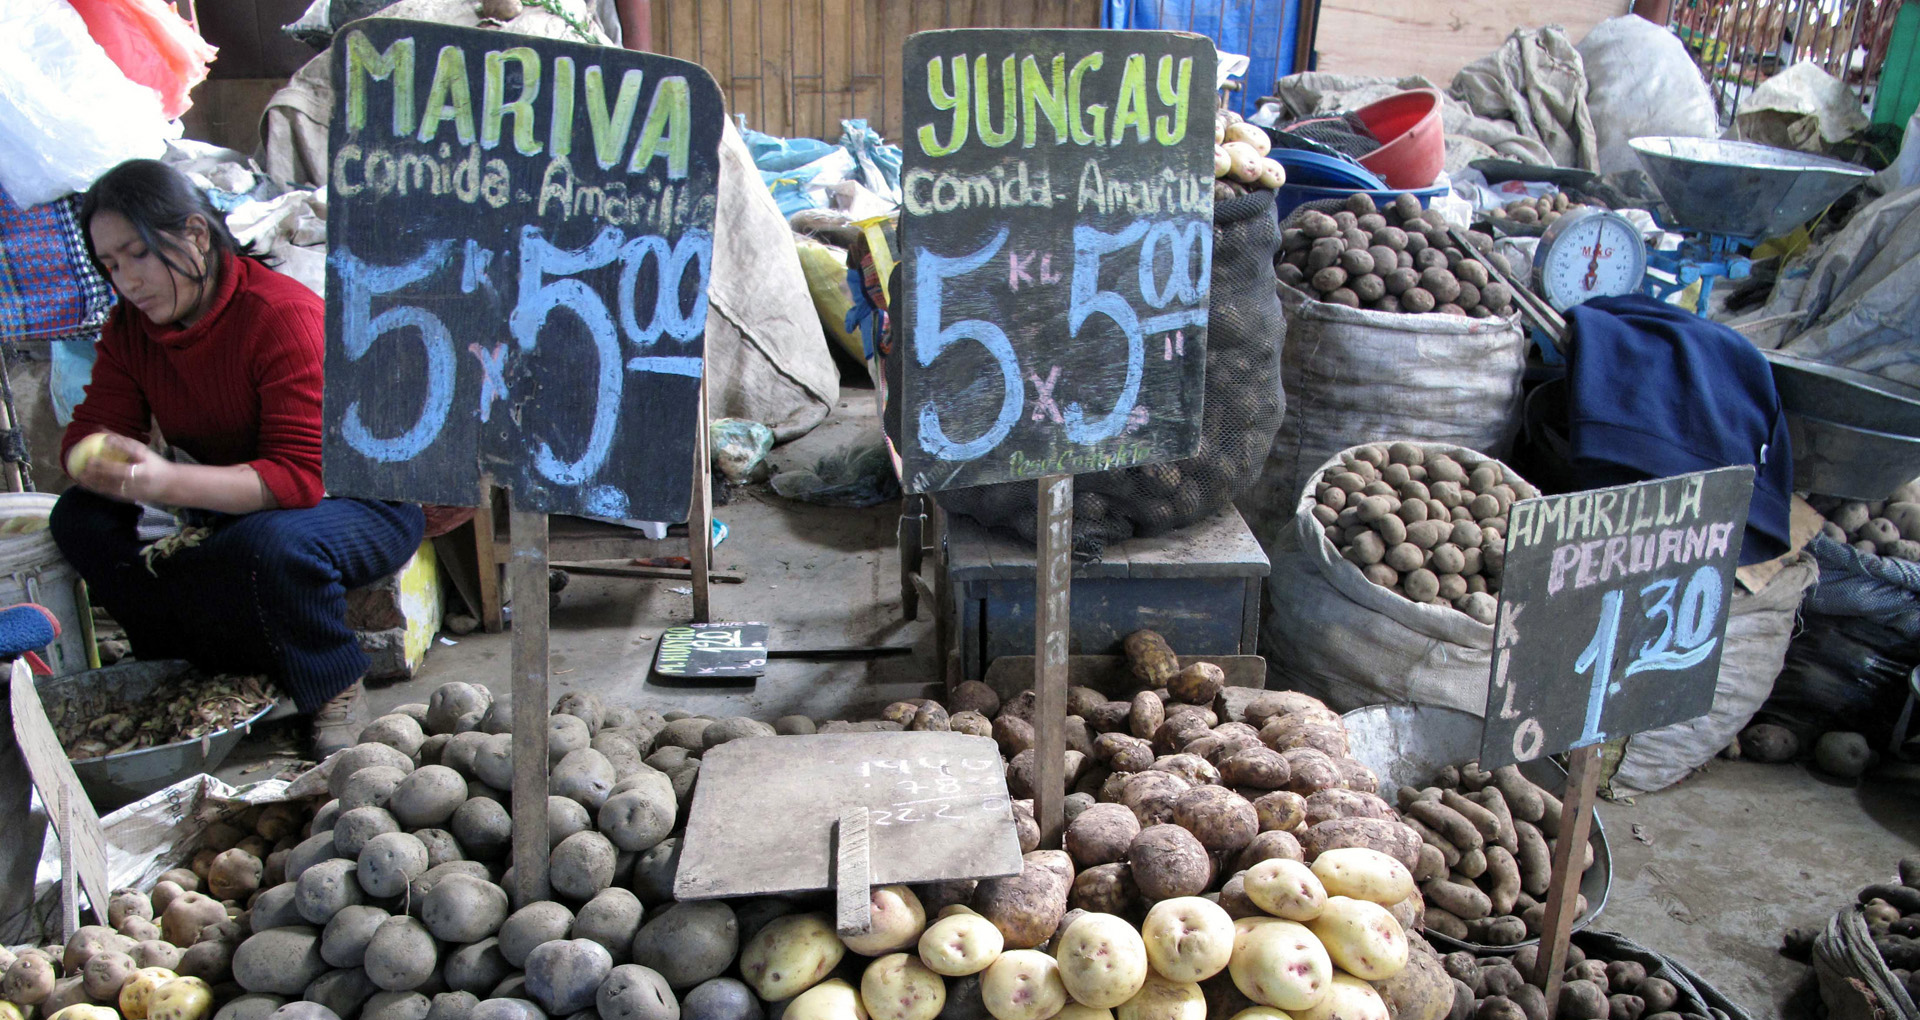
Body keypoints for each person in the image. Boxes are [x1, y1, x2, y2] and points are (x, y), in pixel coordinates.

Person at [51, 159, 425, 757]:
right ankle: (179, 665)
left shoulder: (280, 315)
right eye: (111, 265)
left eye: (137, 254)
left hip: (354, 505)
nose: (126, 280)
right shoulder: (131, 331)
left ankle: (333, 681)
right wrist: (92, 459)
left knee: (264, 548)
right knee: (78, 516)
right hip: (228, 508)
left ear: (196, 235)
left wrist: (170, 480)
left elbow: (299, 479)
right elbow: (92, 427)